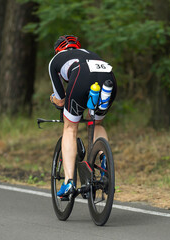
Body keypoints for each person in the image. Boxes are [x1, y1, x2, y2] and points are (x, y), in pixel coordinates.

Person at [48, 35, 117, 197]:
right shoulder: (90, 53)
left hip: (81, 75)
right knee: (96, 123)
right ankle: (104, 159)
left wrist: (52, 98)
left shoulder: (56, 60)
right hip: (108, 75)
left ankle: (69, 182)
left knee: (70, 128)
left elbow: (60, 100)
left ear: (58, 49)